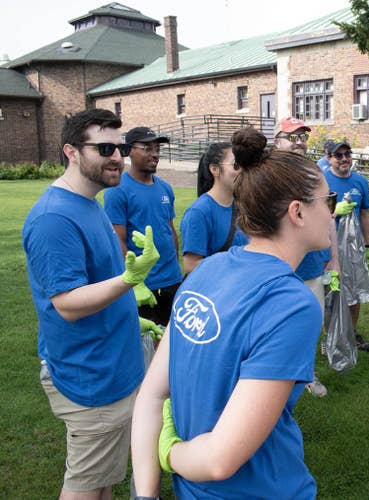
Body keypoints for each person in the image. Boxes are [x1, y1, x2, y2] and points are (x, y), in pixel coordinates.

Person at [131, 126, 334, 498]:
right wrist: (169, 452)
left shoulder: (209, 268)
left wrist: (146, 493)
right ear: (298, 212)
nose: (333, 214)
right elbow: (218, 461)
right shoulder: (292, 305)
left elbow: (151, 394)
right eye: (328, 201)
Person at [22, 109, 159, 499]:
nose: (117, 156)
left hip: (112, 367)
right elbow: (66, 303)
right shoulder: (54, 219)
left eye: (119, 147)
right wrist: (129, 281)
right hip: (90, 379)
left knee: (103, 483)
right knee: (86, 487)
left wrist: (132, 319)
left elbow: (93, 284)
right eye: (104, 148)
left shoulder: (91, 202)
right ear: (71, 151)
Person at [274, 116, 340, 397]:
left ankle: (306, 374)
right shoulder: (267, 175)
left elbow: (329, 218)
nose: (300, 142)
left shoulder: (315, 173)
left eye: (303, 137)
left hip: (312, 264)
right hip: (278, 265)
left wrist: (334, 259)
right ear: (277, 141)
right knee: (276, 325)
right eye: (293, 136)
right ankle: (276, 376)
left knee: (311, 323)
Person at [104, 126, 182, 327]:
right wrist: (135, 283)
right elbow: (117, 240)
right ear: (129, 150)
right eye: (147, 148)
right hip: (145, 285)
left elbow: (169, 230)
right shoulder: (117, 190)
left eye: (157, 148)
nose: (155, 154)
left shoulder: (165, 188)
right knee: (148, 346)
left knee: (173, 343)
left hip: (172, 281)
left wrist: (175, 267)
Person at [324, 140, 369, 351]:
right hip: (327, 246)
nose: (344, 159)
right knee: (331, 291)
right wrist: (335, 212)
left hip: (354, 246)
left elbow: (365, 213)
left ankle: (351, 334)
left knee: (355, 290)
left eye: (347, 154)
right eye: (338, 155)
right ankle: (329, 338)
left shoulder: (360, 181)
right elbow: (312, 216)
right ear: (329, 158)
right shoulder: (323, 181)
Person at [180, 142, 248, 275]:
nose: (242, 170)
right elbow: (191, 265)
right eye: (236, 165)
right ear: (215, 169)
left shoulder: (243, 205)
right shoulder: (199, 212)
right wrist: (235, 265)